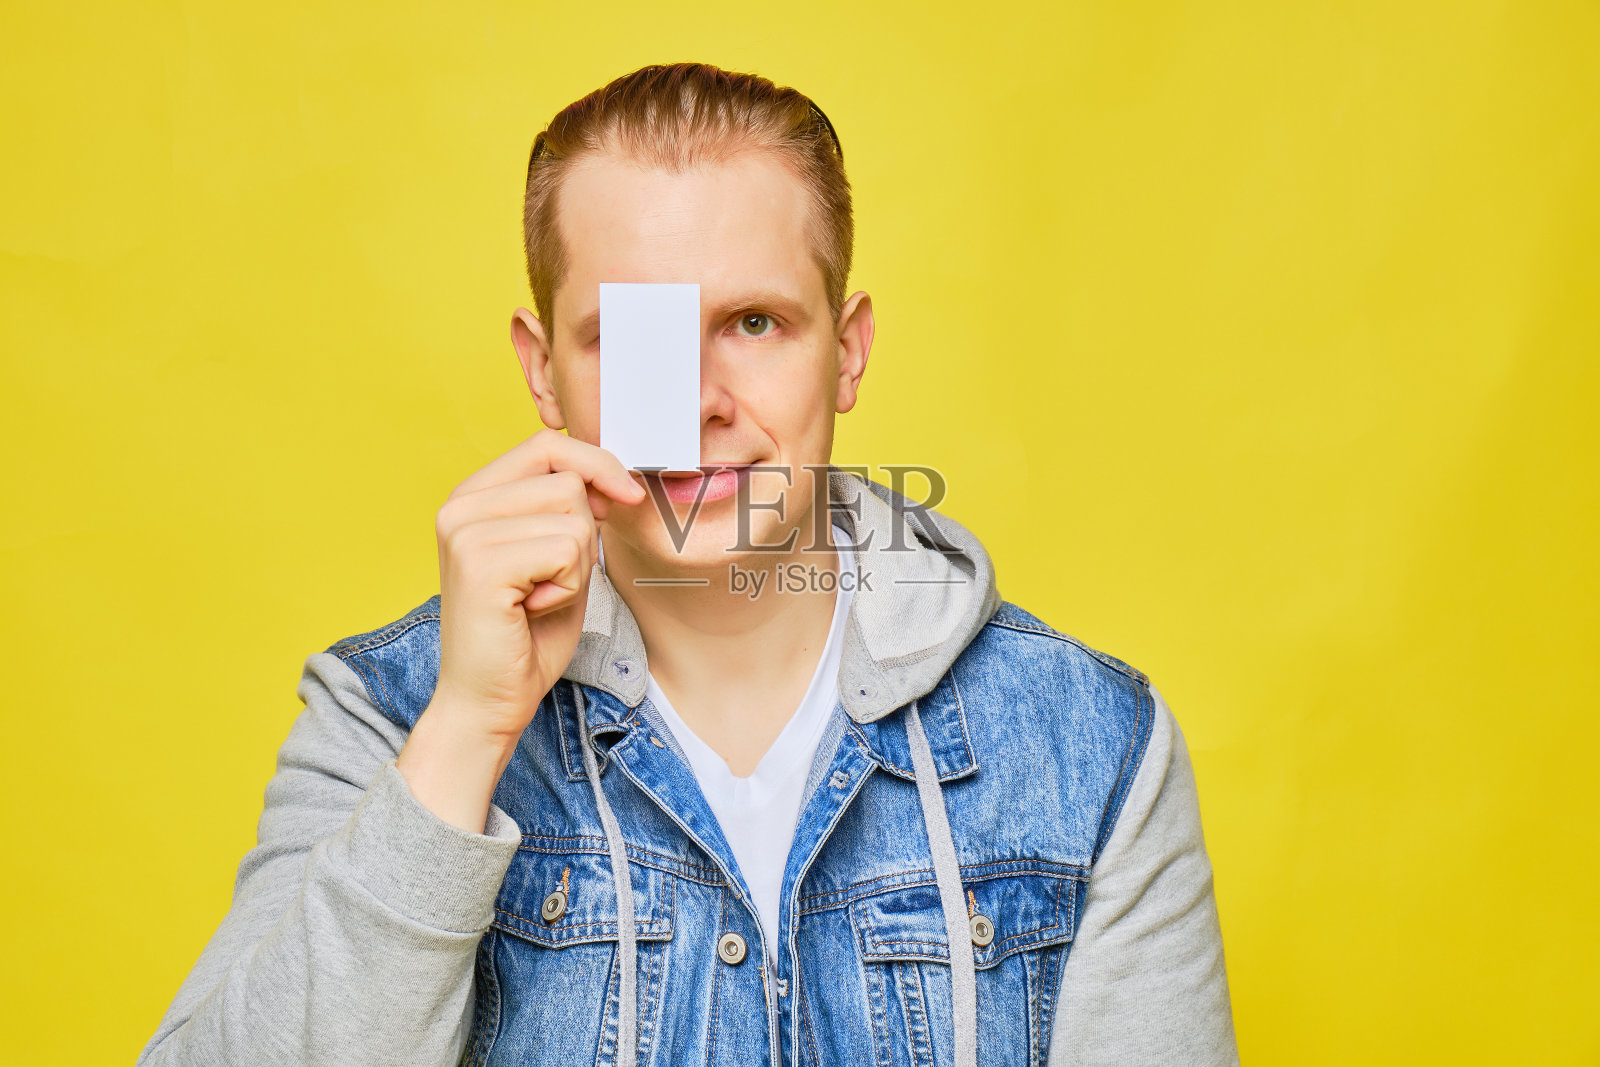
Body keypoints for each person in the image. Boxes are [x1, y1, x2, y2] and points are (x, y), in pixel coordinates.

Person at [138, 62, 1238, 1066]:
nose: (703, 402)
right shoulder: (386, 719)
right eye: (634, 338)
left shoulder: (1089, 745)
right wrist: (467, 732)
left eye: (754, 323)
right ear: (543, 370)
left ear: (845, 352)